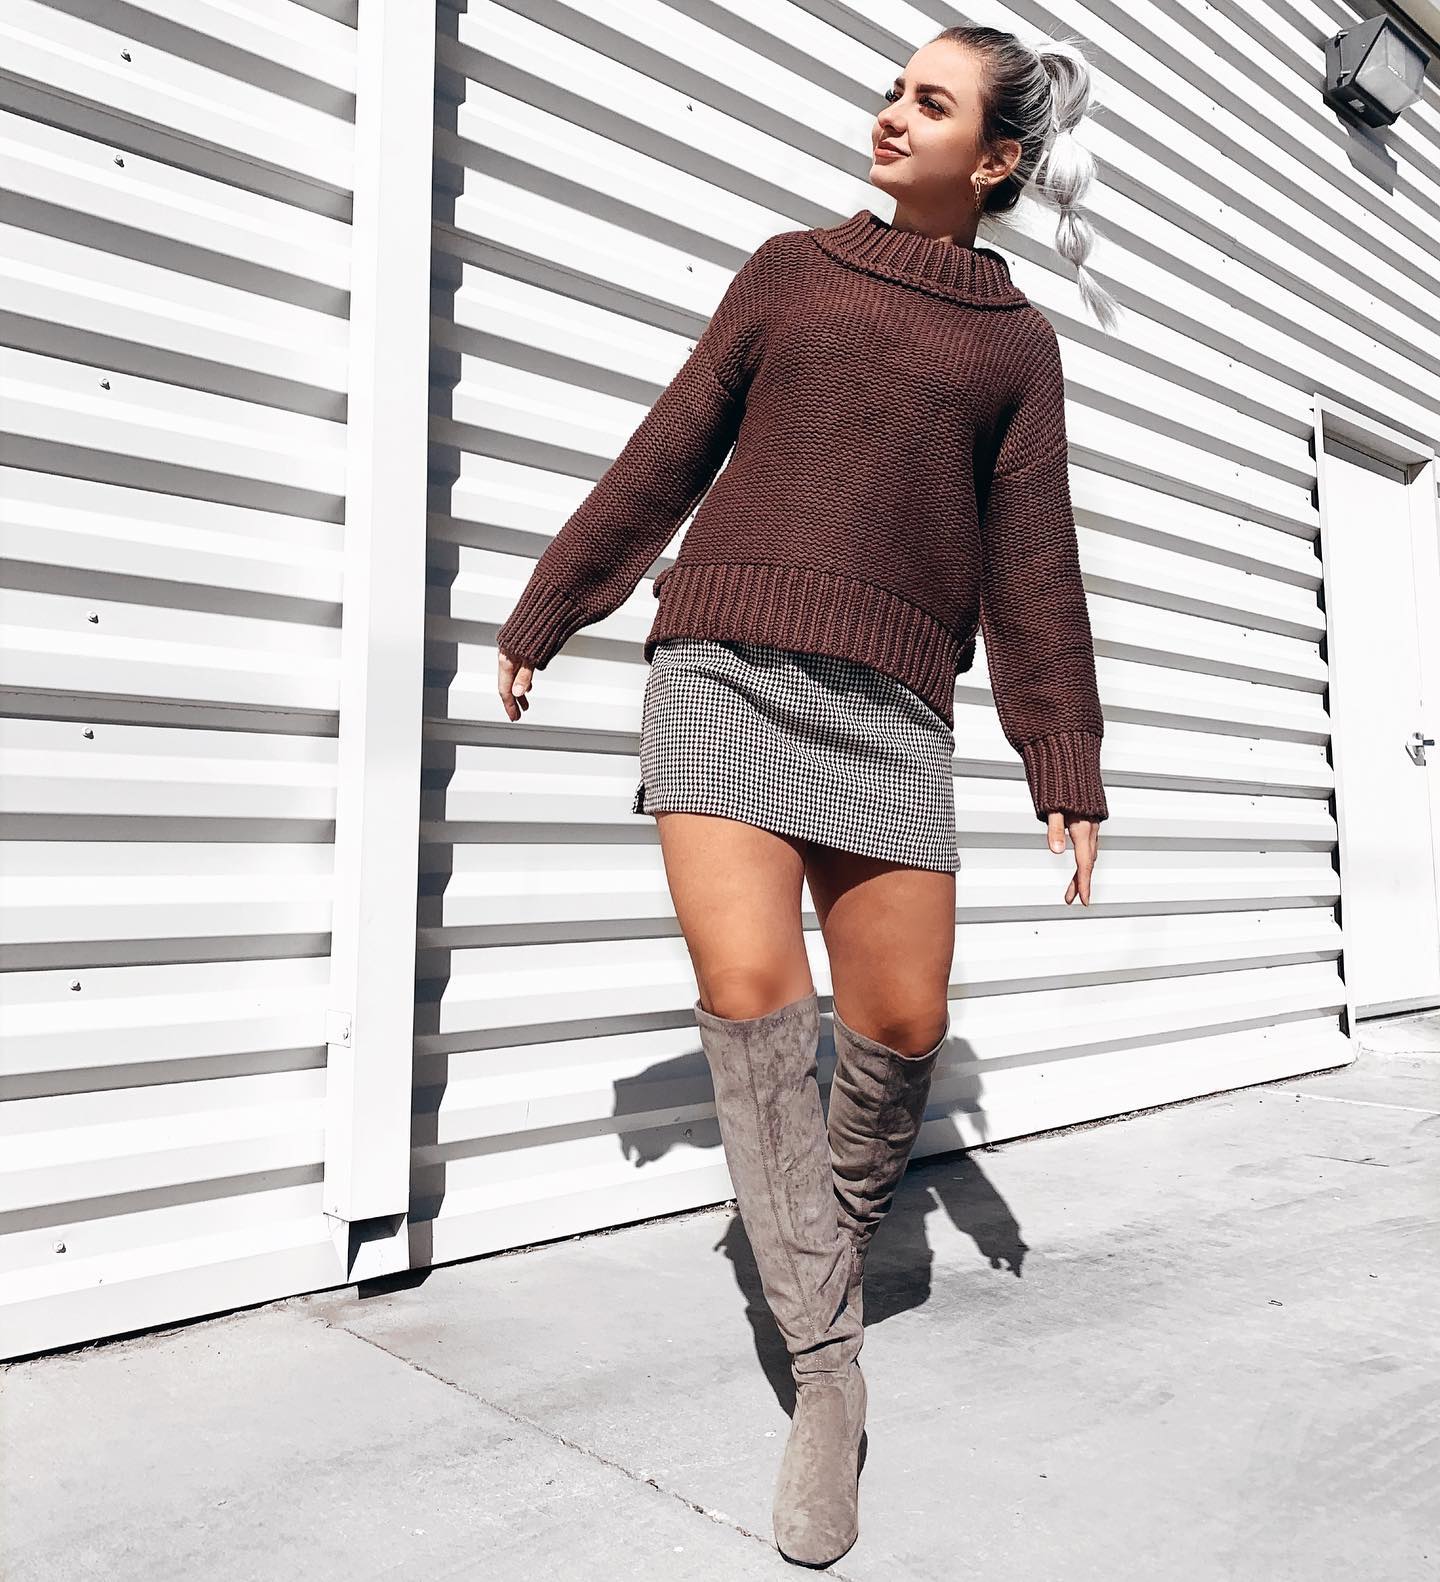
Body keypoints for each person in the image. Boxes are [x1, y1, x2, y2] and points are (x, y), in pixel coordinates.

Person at [495, 23, 1118, 1569]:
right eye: (893, 88)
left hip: (891, 708)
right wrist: (555, 603)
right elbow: (671, 450)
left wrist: (1063, 753)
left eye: (929, 102)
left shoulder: (1016, 347)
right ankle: (828, 1372)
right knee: (754, 996)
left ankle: (808, 1240)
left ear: (997, 158)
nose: (890, 112)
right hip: (720, 666)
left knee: (901, 1022)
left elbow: (1034, 562)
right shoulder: (789, 270)